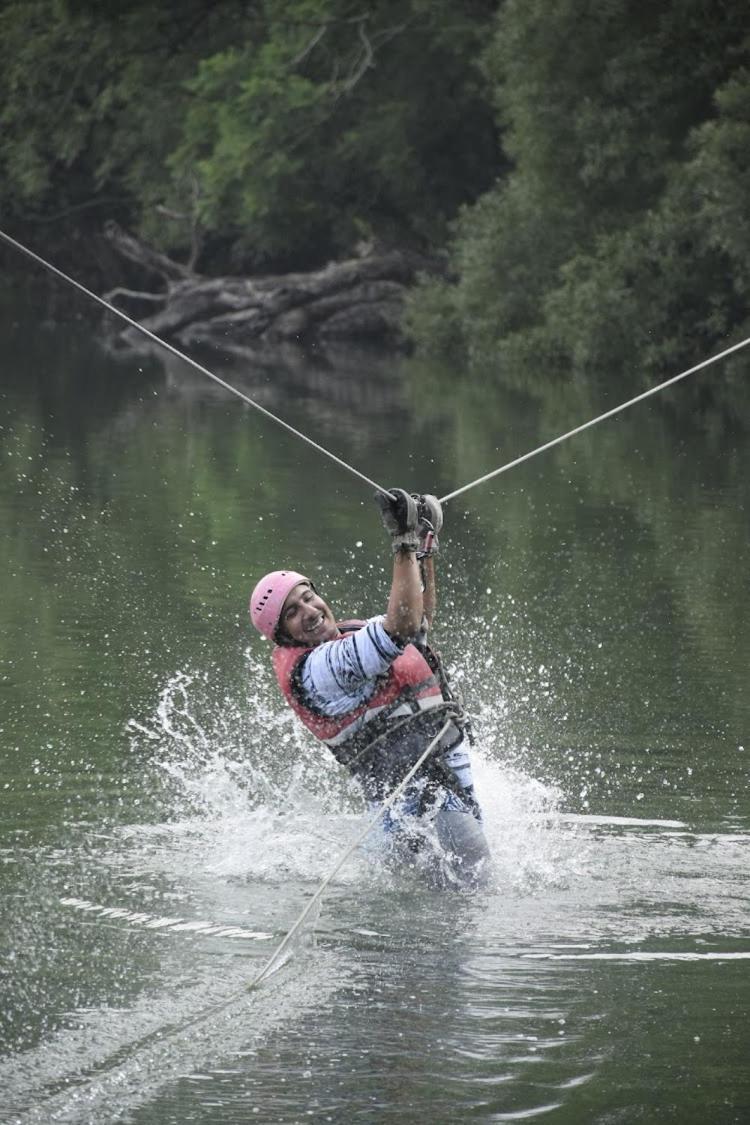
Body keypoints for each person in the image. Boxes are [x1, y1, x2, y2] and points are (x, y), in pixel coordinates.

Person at [249, 489, 490, 887]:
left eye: (309, 598)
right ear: (282, 634)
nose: (310, 612)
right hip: (421, 808)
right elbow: (401, 627)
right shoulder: (319, 671)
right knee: (475, 900)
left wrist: (422, 549)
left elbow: (419, 621)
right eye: (292, 613)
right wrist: (402, 544)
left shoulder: (348, 638)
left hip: (423, 803)